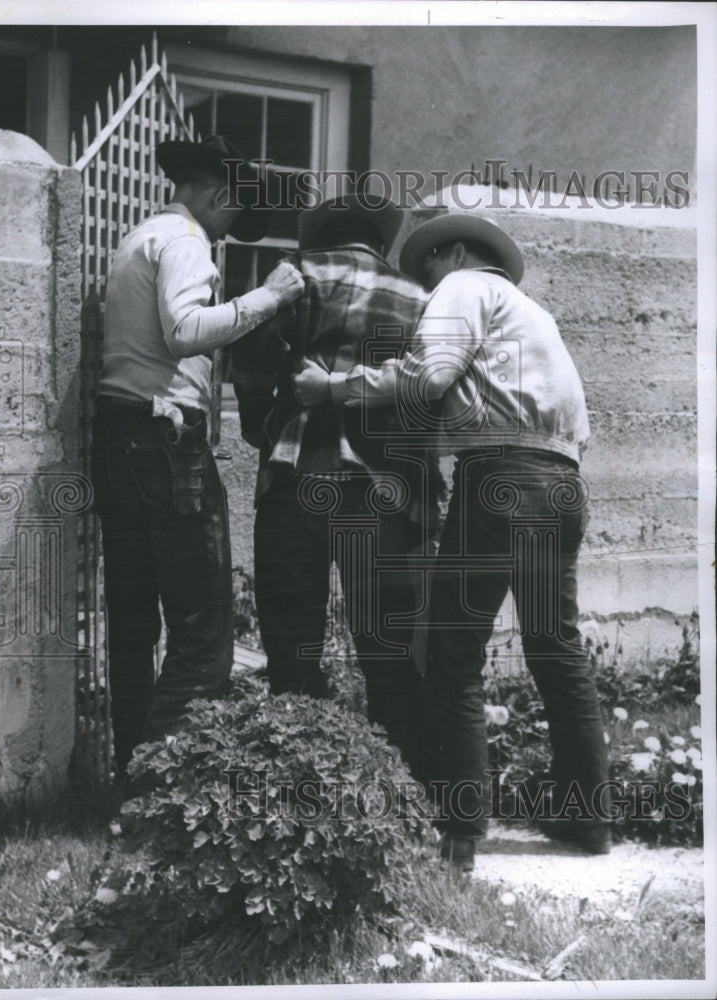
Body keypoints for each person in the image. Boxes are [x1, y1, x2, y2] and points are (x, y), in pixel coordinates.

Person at [293, 212, 610, 869]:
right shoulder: (534, 314)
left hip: (496, 477)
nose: (424, 288)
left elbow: (428, 374)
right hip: (561, 481)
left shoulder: (463, 287)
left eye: (426, 271)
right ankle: (589, 822)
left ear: (455, 253)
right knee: (556, 651)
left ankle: (458, 838)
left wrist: (330, 387)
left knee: (451, 654)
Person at [91, 135, 305, 776]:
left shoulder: (139, 238)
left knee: (133, 623)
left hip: (120, 434)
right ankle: (164, 790)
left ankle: (129, 780)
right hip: (166, 441)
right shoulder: (186, 242)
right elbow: (185, 331)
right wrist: (270, 296)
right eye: (236, 216)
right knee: (203, 631)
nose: (233, 229)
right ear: (220, 195)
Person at [231, 194, 441, 772]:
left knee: (291, 636)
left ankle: (299, 780)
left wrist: (260, 424)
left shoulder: (300, 275)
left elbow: (248, 349)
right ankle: (400, 785)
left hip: (299, 475)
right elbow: (429, 395)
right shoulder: (421, 298)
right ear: (379, 239)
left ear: (325, 236)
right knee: (388, 647)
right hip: (383, 492)